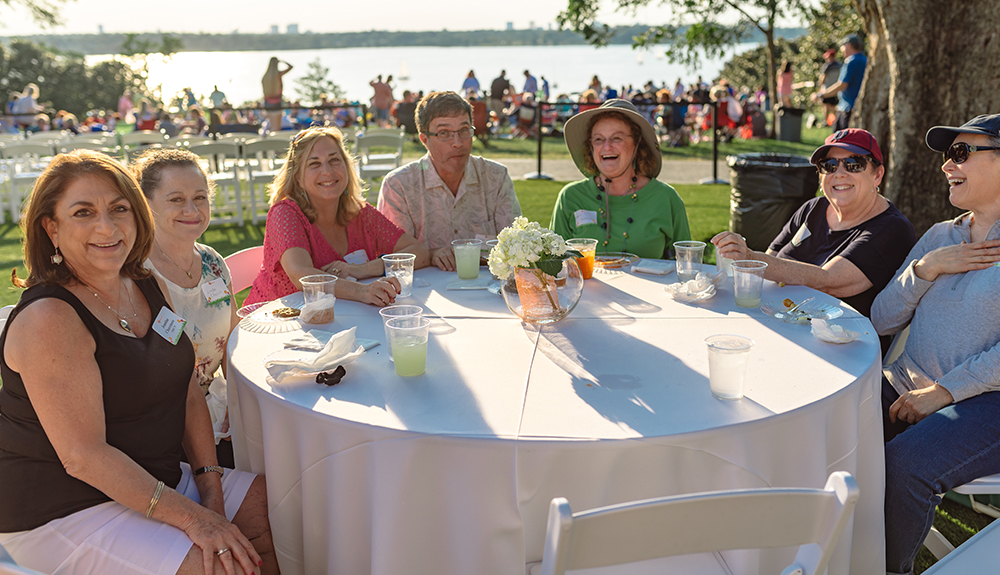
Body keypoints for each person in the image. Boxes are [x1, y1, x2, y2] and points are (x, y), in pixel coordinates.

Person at [0, 150, 276, 574]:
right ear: (51, 228)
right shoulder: (50, 318)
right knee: (220, 564)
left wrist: (210, 484)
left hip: (153, 474)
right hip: (64, 505)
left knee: (281, 511)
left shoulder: (140, 282)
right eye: (83, 212)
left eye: (118, 209)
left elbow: (185, 391)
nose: (107, 227)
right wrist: (196, 518)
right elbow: (83, 456)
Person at [874, 114, 1000, 575]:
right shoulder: (939, 236)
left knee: (903, 466)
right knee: (829, 432)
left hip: (987, 399)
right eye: (948, 155)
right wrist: (926, 268)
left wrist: (944, 393)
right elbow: (882, 318)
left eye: (962, 153)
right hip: (904, 381)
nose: (947, 165)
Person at [712, 128, 916, 348]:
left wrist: (750, 258)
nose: (839, 173)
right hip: (782, 329)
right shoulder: (813, 208)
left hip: (844, 349)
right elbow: (771, 264)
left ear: (877, 174)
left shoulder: (892, 229)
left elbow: (829, 281)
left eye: (853, 164)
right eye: (829, 165)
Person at [132, 147, 238, 466]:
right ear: (145, 204)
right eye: (176, 199)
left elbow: (234, 338)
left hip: (215, 407)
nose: (192, 209)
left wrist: (237, 401)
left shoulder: (212, 262)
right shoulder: (136, 273)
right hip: (160, 429)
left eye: (200, 197)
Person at [245, 127, 429, 306]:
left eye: (334, 160)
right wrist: (362, 291)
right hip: (275, 322)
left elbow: (418, 252)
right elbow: (302, 275)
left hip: (337, 321)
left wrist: (361, 269)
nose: (327, 171)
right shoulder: (285, 213)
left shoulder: (360, 213)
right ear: (298, 178)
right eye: (314, 163)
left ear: (347, 167)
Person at [377, 91, 522, 271]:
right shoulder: (398, 186)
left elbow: (517, 249)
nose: (457, 143)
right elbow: (394, 259)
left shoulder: (496, 177)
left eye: (464, 131)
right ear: (424, 140)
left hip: (488, 290)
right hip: (423, 293)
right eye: (444, 133)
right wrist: (431, 255)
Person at [550, 99, 691, 259]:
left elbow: (688, 265)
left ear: (637, 145)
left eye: (617, 138)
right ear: (591, 148)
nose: (607, 146)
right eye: (598, 139)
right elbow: (554, 263)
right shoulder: (570, 197)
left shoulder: (666, 198)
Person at [815, 35, 868, 132]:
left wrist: (822, 94)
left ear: (849, 45)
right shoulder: (865, 59)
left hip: (847, 107)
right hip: (859, 106)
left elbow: (842, 84)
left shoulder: (851, 61)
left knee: (839, 139)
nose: (842, 49)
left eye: (843, 46)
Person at [262, 56, 293, 133]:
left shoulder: (265, 77)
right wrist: (282, 61)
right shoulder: (278, 75)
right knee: (276, 128)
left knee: (272, 125)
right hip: (277, 103)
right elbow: (290, 67)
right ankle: (274, 142)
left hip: (267, 103)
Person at [812, 48, 843, 124]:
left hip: (827, 89)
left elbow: (822, 78)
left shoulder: (827, 66)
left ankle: (836, 120)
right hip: (836, 88)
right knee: (828, 105)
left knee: (829, 105)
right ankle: (829, 120)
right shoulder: (840, 65)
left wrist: (820, 86)